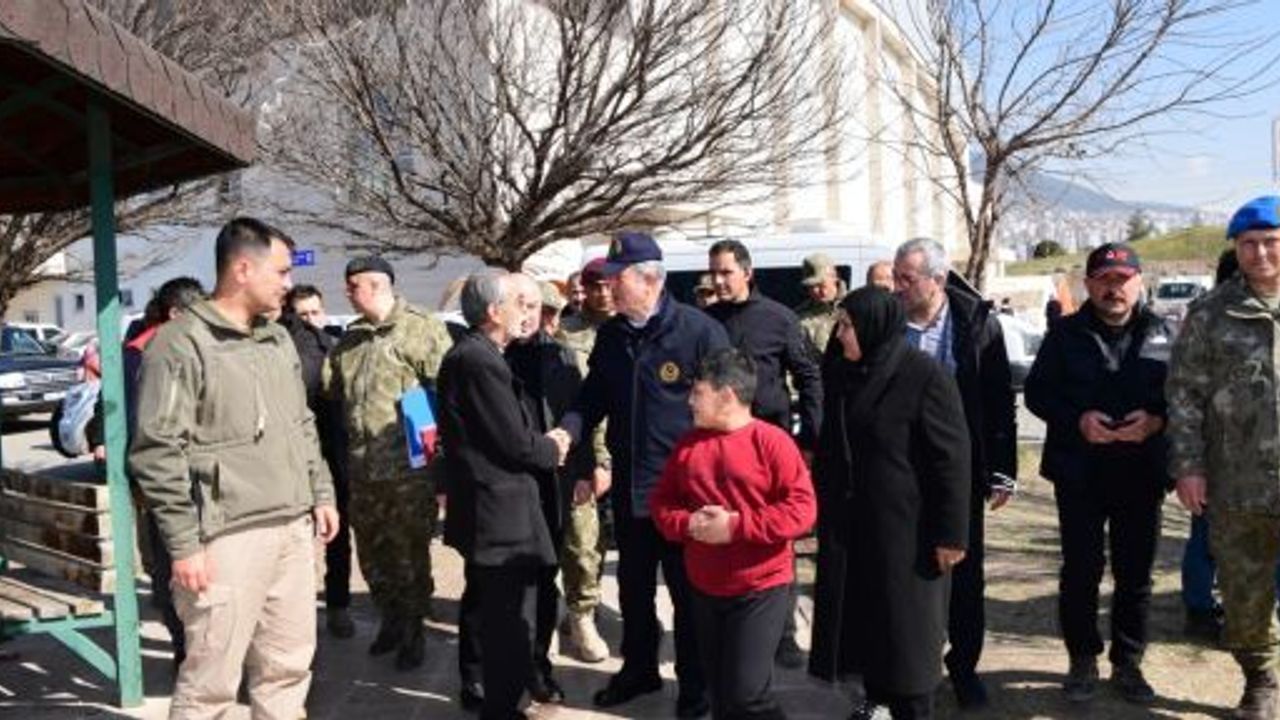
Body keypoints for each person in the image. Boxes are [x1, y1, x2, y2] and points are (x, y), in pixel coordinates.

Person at [130, 217, 339, 719]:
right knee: (210, 686)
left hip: (291, 529)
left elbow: (300, 422)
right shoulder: (181, 343)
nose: (288, 285)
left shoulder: (277, 340)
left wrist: (322, 491)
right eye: (282, 272)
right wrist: (183, 544)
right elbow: (157, 451)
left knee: (288, 670)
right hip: (223, 540)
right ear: (243, 269)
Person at [560, 231, 730, 718]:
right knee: (634, 591)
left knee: (689, 598)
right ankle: (638, 670)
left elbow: (731, 410)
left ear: (649, 280)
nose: (607, 289)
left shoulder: (698, 333)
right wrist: (568, 433)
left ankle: (697, 690)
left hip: (686, 496)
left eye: (616, 280)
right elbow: (593, 397)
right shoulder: (614, 335)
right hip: (634, 495)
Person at [808, 286, 971, 720]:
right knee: (867, 627)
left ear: (874, 327)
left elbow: (952, 463)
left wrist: (951, 535)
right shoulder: (844, 372)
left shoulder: (924, 376)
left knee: (908, 638)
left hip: (910, 536)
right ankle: (875, 701)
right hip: (855, 529)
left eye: (846, 326)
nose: (839, 335)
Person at [1024, 242, 1172, 705]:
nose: (1113, 289)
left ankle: (1128, 664)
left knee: (1135, 575)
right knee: (1082, 570)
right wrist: (1077, 419)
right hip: (1080, 473)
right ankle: (1082, 659)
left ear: (1139, 282)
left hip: (1141, 471)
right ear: (1088, 284)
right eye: (1104, 280)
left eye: (1122, 280)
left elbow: (1185, 396)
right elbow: (1036, 394)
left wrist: (1156, 421)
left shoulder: (1164, 332)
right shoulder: (1064, 334)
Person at [651, 347, 817, 720]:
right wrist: (688, 524)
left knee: (748, 695)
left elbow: (802, 511)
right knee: (721, 692)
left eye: (698, 392)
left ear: (727, 396)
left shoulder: (773, 442)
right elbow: (662, 503)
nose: (689, 400)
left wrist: (735, 527)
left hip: (760, 588)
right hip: (704, 588)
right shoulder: (688, 444)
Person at [1168, 195, 1280, 720]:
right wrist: (1188, 468)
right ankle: (1260, 680)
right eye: (1249, 244)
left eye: (1271, 242)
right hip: (1239, 482)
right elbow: (1184, 394)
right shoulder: (1210, 313)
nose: (1260, 253)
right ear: (1236, 249)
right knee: (1243, 588)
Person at [892, 237, 1017, 709]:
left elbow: (999, 399)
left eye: (909, 279)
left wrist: (1002, 469)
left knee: (963, 573)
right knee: (905, 571)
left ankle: (963, 667)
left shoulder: (976, 325)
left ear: (938, 280)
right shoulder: (888, 324)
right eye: (897, 277)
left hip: (959, 471)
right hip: (901, 472)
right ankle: (908, 668)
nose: (899, 287)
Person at [439, 270, 568, 720]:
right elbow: (513, 441)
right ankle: (503, 706)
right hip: (499, 517)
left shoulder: (488, 355)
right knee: (508, 623)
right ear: (494, 311)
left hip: (504, 511)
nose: (527, 313)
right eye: (520, 303)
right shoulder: (478, 361)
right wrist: (552, 447)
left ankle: (507, 700)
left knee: (511, 617)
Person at [324, 255, 454, 670]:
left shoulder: (423, 328)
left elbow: (450, 395)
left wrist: (444, 469)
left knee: (410, 552)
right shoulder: (349, 341)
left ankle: (414, 627)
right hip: (363, 472)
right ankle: (391, 620)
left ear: (378, 285)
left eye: (353, 285)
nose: (347, 292)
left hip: (409, 472)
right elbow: (330, 391)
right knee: (373, 553)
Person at [704, 239, 822, 668]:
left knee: (774, 541)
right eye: (713, 272)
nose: (718, 280)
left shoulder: (779, 319)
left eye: (726, 272)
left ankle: (783, 633)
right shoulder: (705, 322)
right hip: (717, 452)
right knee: (724, 538)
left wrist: (809, 441)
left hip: (769, 447)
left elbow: (809, 378)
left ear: (747, 272)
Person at [87, 276, 205, 670]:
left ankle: (200, 646)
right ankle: (184, 647)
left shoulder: (201, 347)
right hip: (159, 480)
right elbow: (111, 404)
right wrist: (100, 435)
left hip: (202, 478)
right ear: (175, 314)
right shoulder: (138, 352)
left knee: (193, 567)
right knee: (167, 567)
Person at [279, 284, 353, 639]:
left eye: (315, 313)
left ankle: (338, 606)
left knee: (338, 537)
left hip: (334, 453)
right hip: (294, 458)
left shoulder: (336, 349)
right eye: (303, 314)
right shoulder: (282, 349)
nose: (311, 321)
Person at [554, 257, 615, 664]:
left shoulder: (635, 330)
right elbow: (568, 401)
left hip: (632, 454)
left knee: (613, 542)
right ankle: (581, 616)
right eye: (595, 286)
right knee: (581, 541)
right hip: (585, 457)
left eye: (610, 285)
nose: (603, 294)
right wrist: (590, 461)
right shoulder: (565, 336)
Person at [794, 252, 846, 355]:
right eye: (811, 287)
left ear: (834, 277)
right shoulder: (801, 316)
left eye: (821, 284)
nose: (816, 291)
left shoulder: (855, 306)